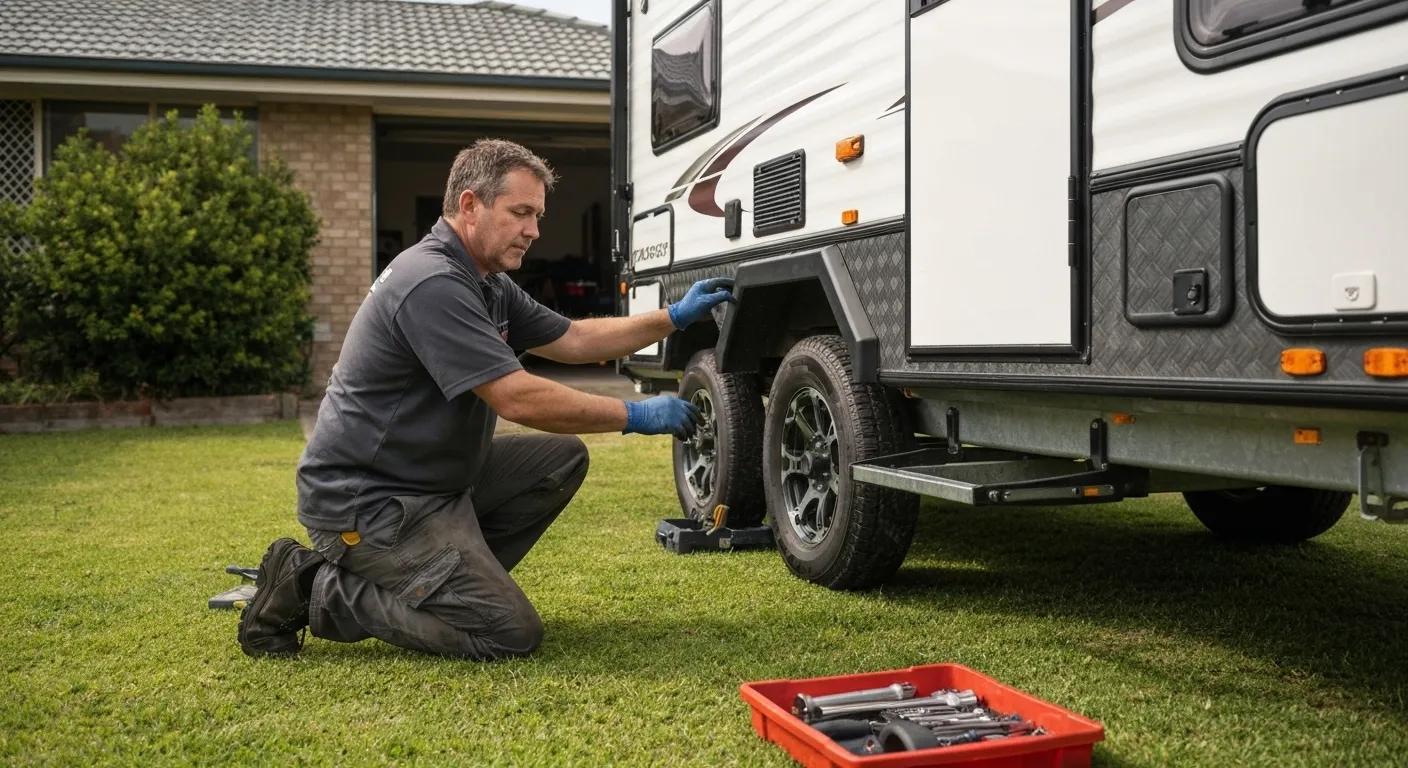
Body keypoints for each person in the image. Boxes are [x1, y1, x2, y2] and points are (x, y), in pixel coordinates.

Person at [237, 139, 732, 660]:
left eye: (537, 215)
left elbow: (575, 339)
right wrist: (633, 414)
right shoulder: (432, 281)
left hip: (432, 484)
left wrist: (672, 317)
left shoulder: (486, 281)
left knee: (558, 461)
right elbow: (515, 397)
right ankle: (310, 584)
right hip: (368, 503)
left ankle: (445, 583)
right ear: (470, 205)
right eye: (521, 212)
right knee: (507, 633)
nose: (534, 230)